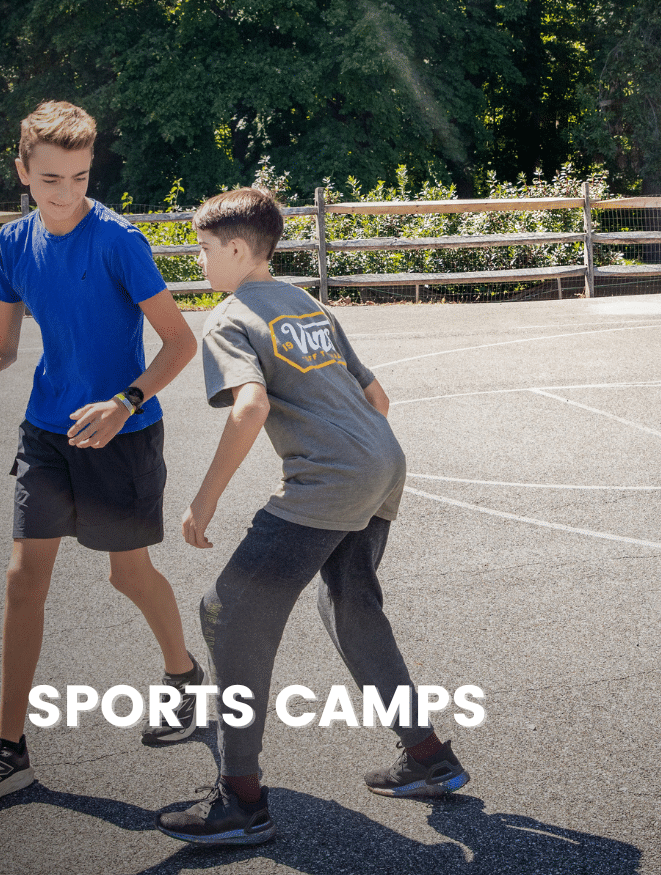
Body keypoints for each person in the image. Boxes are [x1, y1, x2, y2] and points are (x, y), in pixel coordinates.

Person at [155, 187, 470, 846]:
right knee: (347, 603)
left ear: (238, 249)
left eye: (205, 249)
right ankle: (427, 755)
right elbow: (375, 397)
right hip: (383, 461)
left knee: (227, 609)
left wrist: (204, 497)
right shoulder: (307, 303)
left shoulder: (230, 316)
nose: (199, 261)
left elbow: (249, 408)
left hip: (333, 479)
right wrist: (343, 466)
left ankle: (241, 799)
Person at [0, 101, 204, 807]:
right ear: (22, 169)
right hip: (46, 431)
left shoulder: (118, 240)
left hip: (121, 430)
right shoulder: (13, 243)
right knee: (24, 577)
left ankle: (183, 678)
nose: (66, 192)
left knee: (128, 575)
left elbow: (181, 343)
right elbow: (1, 350)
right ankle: (9, 747)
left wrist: (126, 401)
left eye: (80, 176)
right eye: (51, 177)